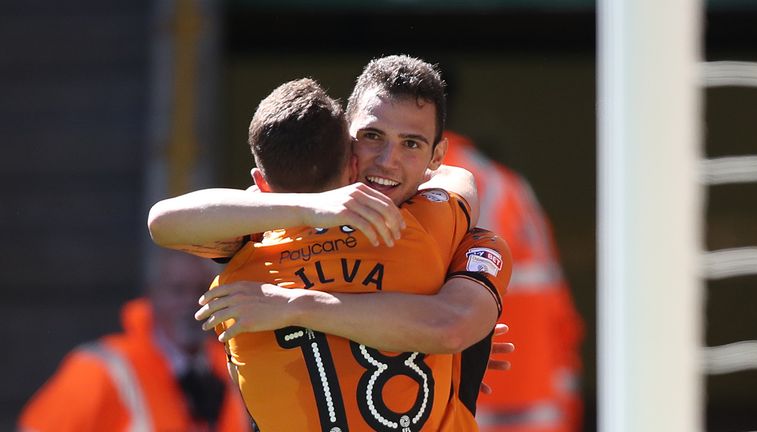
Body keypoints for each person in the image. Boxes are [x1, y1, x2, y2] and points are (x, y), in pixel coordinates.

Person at [149, 56, 511, 431]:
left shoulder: (253, 255)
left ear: (436, 155)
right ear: (348, 146)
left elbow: (167, 222)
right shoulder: (436, 232)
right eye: (372, 136)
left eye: (411, 144)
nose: (388, 161)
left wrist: (294, 304)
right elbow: (452, 325)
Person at [17, 249, 251, 432]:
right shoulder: (99, 369)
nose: (191, 302)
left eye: (201, 291)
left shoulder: (233, 368)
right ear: (152, 295)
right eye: (177, 290)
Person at [442, 131, 584, 432]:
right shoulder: (509, 187)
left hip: (471, 405)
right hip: (537, 402)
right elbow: (561, 314)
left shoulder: (425, 185)